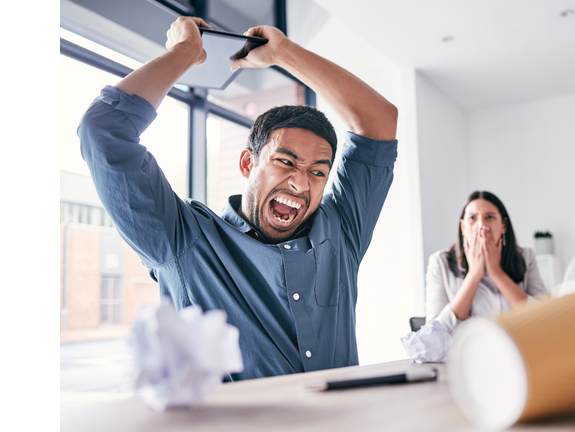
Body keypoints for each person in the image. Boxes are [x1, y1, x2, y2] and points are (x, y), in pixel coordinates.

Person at [78, 17, 398, 380]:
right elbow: (103, 130)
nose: (299, 182)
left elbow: (380, 123)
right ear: (248, 163)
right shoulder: (184, 241)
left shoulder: (341, 231)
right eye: (285, 162)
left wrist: (284, 53)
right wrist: (186, 52)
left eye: (317, 172)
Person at [425, 191, 548, 334]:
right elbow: (433, 334)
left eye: (489, 217)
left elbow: (544, 317)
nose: (481, 226)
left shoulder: (526, 257)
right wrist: (473, 275)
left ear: (503, 225)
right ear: (463, 227)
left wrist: (496, 273)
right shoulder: (440, 262)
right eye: (472, 218)